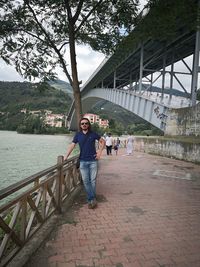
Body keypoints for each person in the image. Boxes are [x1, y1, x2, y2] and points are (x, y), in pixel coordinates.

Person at [64, 118, 105, 209]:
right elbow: (72, 146)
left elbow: (103, 141)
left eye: (86, 123)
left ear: (88, 125)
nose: (84, 125)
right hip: (82, 161)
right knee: (86, 181)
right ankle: (92, 198)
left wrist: (99, 152)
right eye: (82, 123)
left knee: (93, 181)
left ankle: (91, 200)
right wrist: (66, 156)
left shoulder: (93, 134)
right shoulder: (78, 135)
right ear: (80, 125)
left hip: (93, 161)